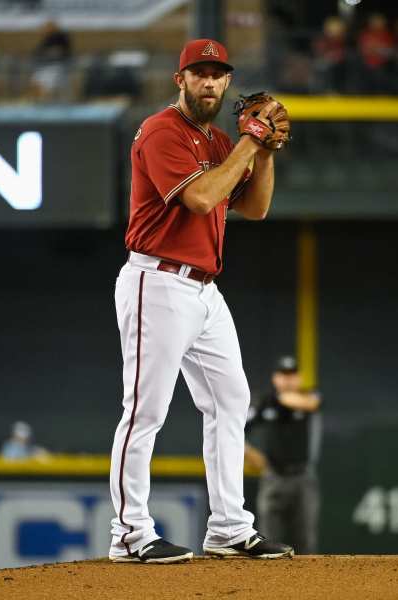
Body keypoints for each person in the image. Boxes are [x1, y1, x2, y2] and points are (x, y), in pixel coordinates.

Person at [108, 38, 293, 564]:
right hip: (157, 282)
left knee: (232, 400)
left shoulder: (217, 141)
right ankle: (128, 531)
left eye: (218, 74)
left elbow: (254, 209)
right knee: (146, 410)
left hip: (204, 291)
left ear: (228, 82)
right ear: (180, 79)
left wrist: (263, 150)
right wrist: (246, 143)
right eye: (199, 73)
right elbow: (202, 198)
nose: (209, 82)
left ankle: (229, 527)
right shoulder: (161, 132)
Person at [245, 356, 322, 554]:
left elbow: (311, 404)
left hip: (302, 477)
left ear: (299, 378)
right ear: (275, 378)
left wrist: (280, 397)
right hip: (273, 476)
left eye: (292, 375)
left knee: (305, 539)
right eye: (283, 375)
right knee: (269, 540)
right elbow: (237, 430)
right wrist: (249, 453)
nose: (288, 380)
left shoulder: (308, 395)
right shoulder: (265, 403)